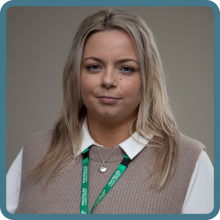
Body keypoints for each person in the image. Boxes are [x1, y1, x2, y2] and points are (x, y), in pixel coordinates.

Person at [6, 9, 213, 214]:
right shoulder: (35, 151)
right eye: (94, 66)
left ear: (148, 79)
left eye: (126, 69)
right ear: (76, 74)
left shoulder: (189, 161)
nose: (107, 81)